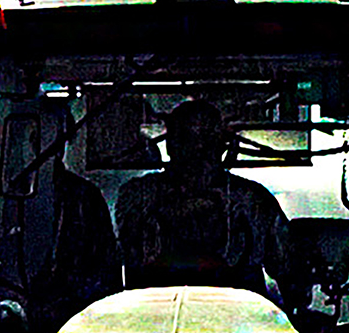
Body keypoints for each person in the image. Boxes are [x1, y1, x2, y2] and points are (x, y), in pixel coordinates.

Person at [108, 96, 290, 299]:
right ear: (170, 144)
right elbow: (116, 260)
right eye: (187, 140)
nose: (197, 150)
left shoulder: (252, 201)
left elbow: (289, 269)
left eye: (205, 140)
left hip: (233, 322)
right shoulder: (139, 196)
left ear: (221, 145)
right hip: (158, 318)